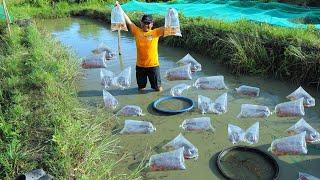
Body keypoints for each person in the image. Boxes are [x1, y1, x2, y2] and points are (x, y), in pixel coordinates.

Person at [116, 2, 164, 92]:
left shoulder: (156, 32)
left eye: (149, 23)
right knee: (141, 88)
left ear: (152, 24)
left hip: (153, 66)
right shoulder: (137, 31)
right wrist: (120, 9)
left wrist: (171, 16)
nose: (146, 25)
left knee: (158, 88)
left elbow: (169, 27)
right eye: (145, 23)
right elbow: (128, 21)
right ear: (141, 23)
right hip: (140, 66)